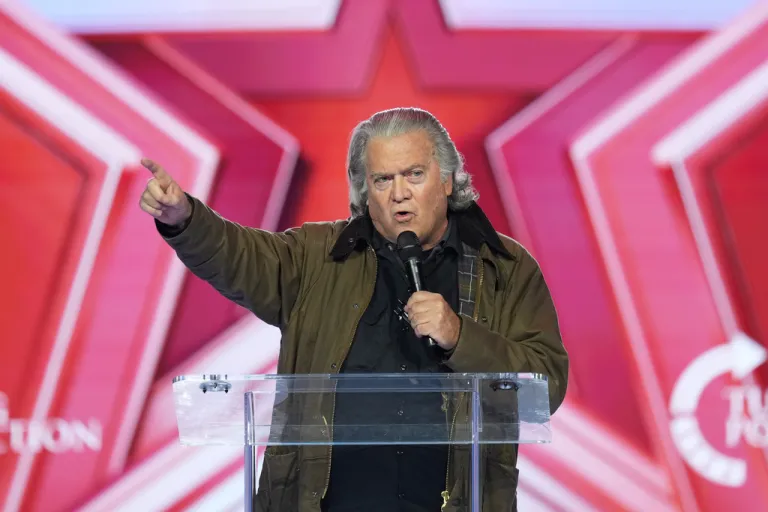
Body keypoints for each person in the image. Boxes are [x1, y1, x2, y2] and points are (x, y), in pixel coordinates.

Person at [139, 107, 569, 511]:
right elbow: (238, 255)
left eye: (414, 174)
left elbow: (544, 389)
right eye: (382, 180)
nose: (399, 194)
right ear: (365, 193)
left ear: (448, 179)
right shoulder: (316, 258)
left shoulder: (505, 268)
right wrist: (185, 219)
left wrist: (461, 337)